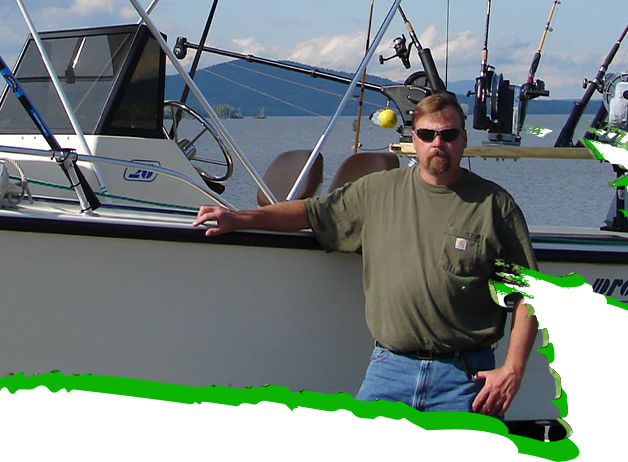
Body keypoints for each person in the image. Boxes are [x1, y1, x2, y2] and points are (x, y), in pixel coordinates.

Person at [192, 91, 539, 416]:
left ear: (463, 139)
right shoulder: (376, 192)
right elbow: (310, 213)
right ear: (413, 140)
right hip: (390, 372)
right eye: (428, 135)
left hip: (466, 381)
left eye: (448, 135)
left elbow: (532, 293)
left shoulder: (494, 206)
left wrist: (512, 370)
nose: (438, 144)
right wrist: (240, 217)